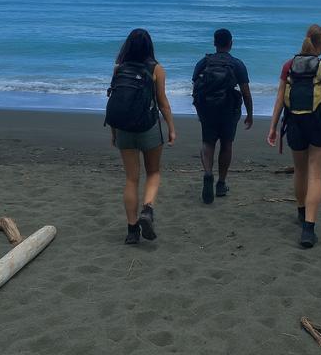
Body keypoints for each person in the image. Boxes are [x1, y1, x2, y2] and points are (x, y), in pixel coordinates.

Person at [267, 24, 321, 248]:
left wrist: (273, 127)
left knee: (300, 170)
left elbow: (279, 99)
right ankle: (308, 229)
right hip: (320, 123)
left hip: (294, 122)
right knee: (315, 176)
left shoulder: (289, 65)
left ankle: (301, 212)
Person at [105, 28, 176, 245]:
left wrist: (114, 133)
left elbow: (115, 101)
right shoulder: (156, 69)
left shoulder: (119, 68)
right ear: (149, 47)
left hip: (124, 129)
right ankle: (147, 209)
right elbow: (162, 102)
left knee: (131, 179)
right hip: (148, 128)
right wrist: (171, 128)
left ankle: (132, 230)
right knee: (153, 172)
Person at [192, 28, 253, 204]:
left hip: (207, 109)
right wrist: (250, 114)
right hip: (228, 110)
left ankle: (208, 173)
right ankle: (221, 183)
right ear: (231, 43)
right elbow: (246, 92)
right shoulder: (236, 64)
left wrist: (199, 109)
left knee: (208, 143)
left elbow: (196, 88)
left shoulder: (204, 62)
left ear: (214, 43)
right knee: (226, 144)